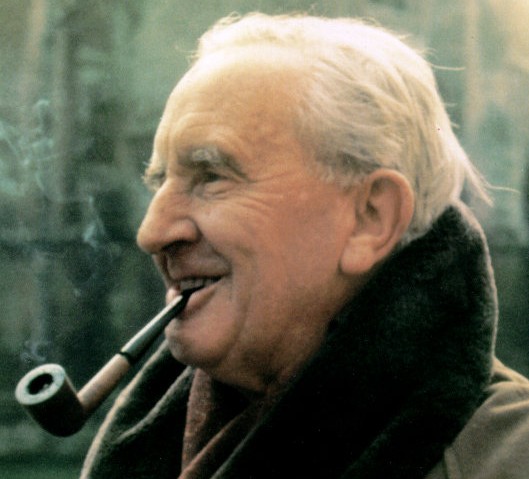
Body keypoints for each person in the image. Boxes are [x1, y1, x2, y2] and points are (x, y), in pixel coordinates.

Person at [80, 13, 529, 479]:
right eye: (160, 181)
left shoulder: (508, 458)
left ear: (370, 219)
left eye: (211, 176)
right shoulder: (161, 440)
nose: (152, 232)